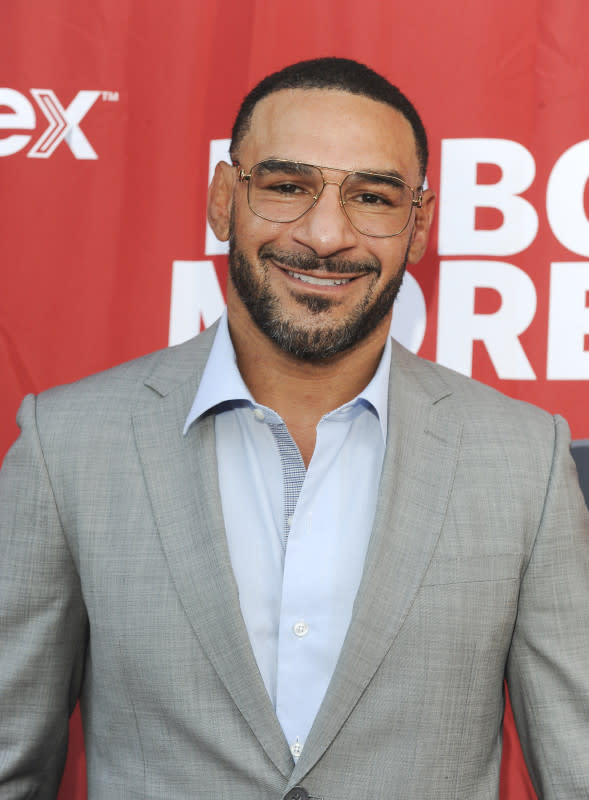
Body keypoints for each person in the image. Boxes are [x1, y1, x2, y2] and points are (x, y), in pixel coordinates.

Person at [1, 57, 588, 800]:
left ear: (418, 226)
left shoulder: (521, 461)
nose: (323, 234)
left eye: (372, 197)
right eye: (286, 187)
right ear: (223, 199)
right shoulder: (68, 446)